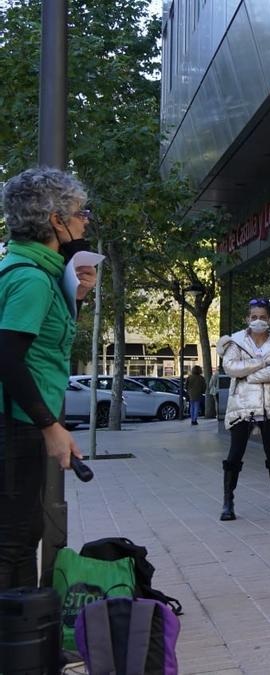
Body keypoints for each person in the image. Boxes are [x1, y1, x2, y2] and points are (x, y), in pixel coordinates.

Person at [0, 167, 96, 590]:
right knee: (14, 541)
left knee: (21, 535)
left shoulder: (28, 270)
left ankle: (22, 643)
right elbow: (7, 357)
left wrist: (72, 296)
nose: (85, 221)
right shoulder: (31, 279)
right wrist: (49, 425)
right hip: (14, 425)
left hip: (18, 422)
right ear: (56, 220)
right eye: (80, 212)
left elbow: (37, 344)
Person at [216, 298, 270, 521]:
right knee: (235, 453)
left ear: (269, 319)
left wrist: (249, 375)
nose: (258, 321)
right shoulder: (235, 341)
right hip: (242, 407)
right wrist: (262, 363)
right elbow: (231, 367)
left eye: (262, 317)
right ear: (247, 319)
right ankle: (228, 501)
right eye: (254, 317)